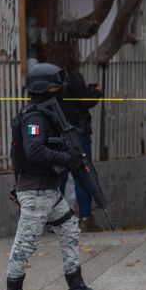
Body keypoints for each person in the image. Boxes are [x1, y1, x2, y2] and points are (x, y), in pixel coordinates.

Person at [4, 63, 111, 290]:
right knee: (25, 243)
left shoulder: (46, 112)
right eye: (55, 86)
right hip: (36, 191)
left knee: (69, 231)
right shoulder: (34, 117)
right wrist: (66, 159)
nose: (59, 90)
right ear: (44, 88)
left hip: (49, 191)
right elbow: (34, 150)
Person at [48, 41, 104, 232]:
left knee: (59, 177)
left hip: (56, 135)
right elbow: (85, 101)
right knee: (82, 176)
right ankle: (86, 218)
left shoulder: (50, 79)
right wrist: (97, 92)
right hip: (76, 135)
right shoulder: (71, 76)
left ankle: (55, 220)